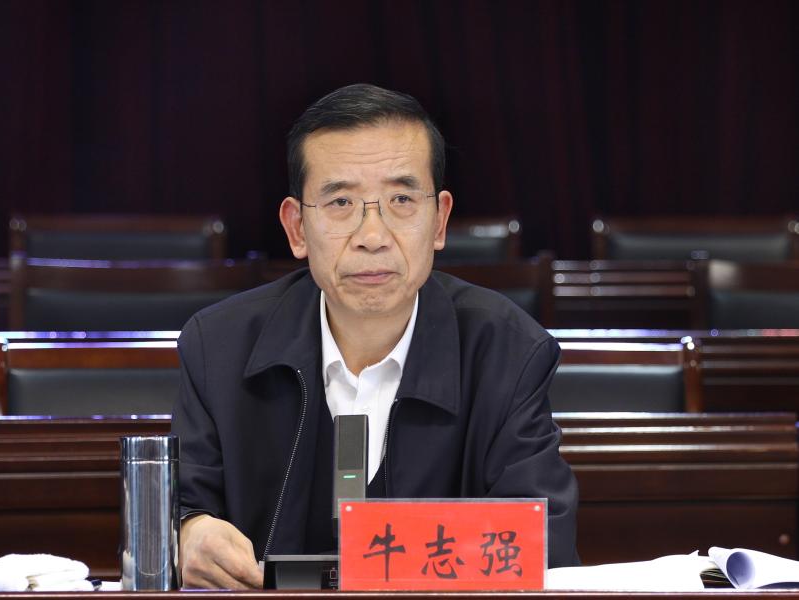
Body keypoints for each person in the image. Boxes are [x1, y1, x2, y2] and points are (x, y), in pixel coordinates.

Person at [172, 83, 578, 589]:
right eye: (341, 202)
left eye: (401, 200)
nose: (372, 236)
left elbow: (541, 542)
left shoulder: (507, 350)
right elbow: (180, 507)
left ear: (439, 220)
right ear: (297, 228)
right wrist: (188, 532)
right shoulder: (218, 346)